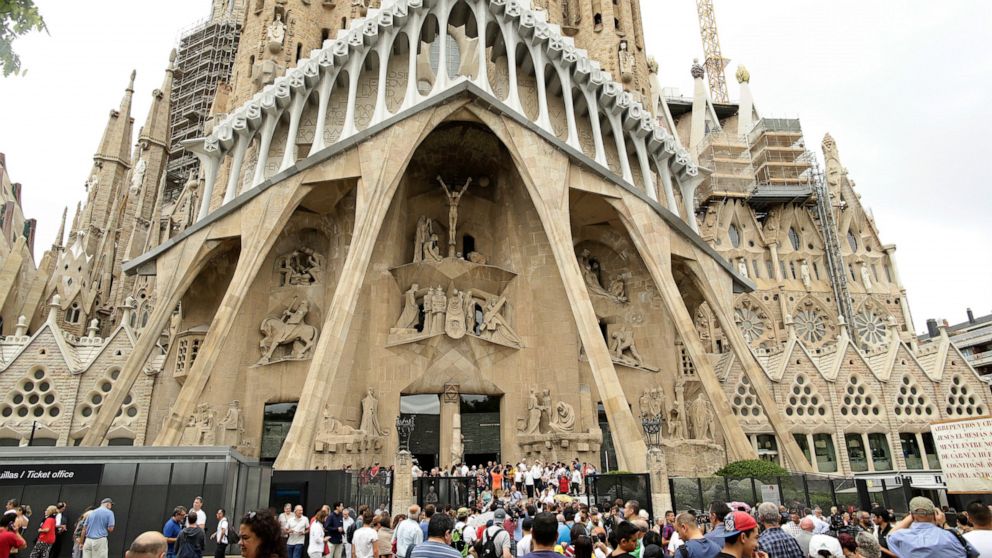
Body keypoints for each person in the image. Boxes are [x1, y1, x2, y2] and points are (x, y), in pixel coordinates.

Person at [887, 497, 971, 557]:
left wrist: (912, 516)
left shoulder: (900, 537)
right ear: (935, 514)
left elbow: (889, 536)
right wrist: (944, 523)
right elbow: (971, 552)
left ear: (911, 515)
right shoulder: (952, 536)